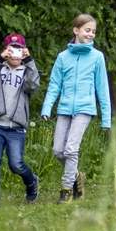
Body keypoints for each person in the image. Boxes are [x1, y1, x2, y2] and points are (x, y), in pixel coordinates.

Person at [41, 14, 111, 204]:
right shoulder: (63, 57)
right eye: (87, 30)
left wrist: (106, 119)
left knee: (71, 149)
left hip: (85, 109)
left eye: (94, 32)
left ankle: (66, 190)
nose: (91, 34)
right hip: (64, 109)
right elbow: (54, 84)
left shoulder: (97, 57)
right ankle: (77, 175)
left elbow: (102, 89)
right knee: (58, 151)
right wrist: (47, 107)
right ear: (76, 30)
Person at [0, 33, 40, 209]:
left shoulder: (28, 71)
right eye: (11, 49)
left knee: (16, 165)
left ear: (24, 51)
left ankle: (31, 182)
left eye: (19, 49)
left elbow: (33, 85)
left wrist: (29, 61)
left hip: (16, 129)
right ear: (6, 50)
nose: (15, 53)